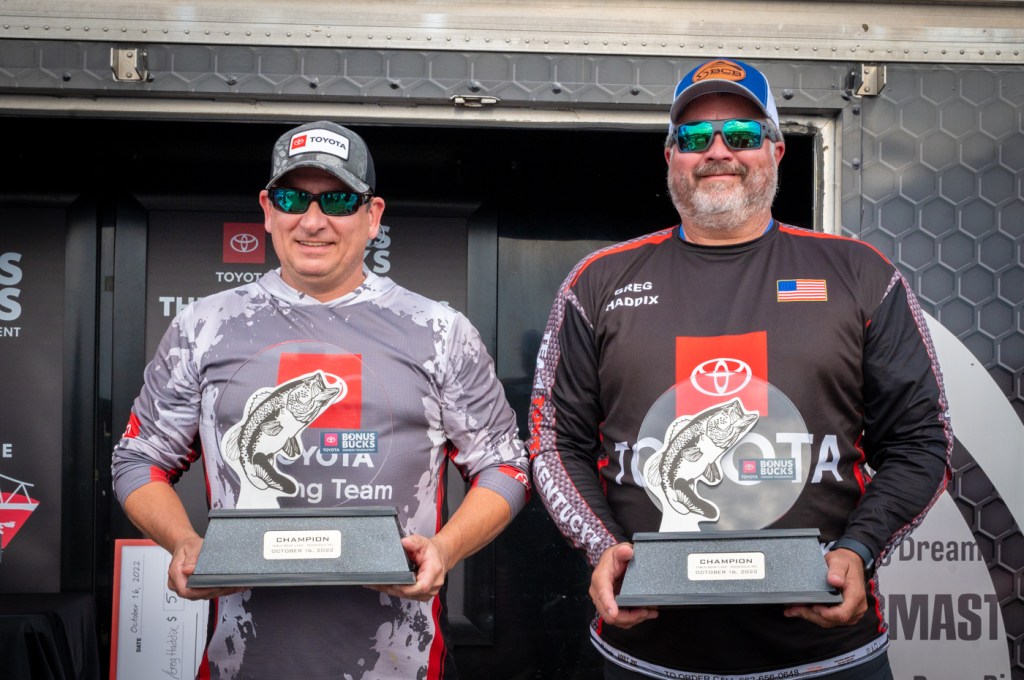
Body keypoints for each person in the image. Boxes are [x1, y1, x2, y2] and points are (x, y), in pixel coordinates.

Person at [529, 58, 952, 679]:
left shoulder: (860, 274)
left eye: (743, 134)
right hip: (646, 654)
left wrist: (860, 549)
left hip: (828, 656)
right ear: (671, 157)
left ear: (776, 150)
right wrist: (603, 548)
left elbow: (921, 442)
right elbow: (553, 441)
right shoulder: (597, 282)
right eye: (695, 137)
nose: (718, 151)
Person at [112, 120, 531, 679]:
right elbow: (138, 458)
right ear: (267, 210)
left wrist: (445, 549)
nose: (312, 221)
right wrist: (182, 542)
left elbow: (506, 464)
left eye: (337, 200)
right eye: (293, 199)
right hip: (243, 662)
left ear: (372, 216)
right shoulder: (202, 326)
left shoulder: (439, 330)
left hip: (403, 663)